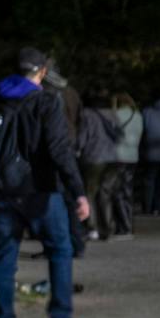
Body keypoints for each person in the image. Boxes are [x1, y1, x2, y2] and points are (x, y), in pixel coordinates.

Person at [0, 48, 91, 318]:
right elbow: (59, 150)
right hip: (39, 190)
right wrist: (78, 192)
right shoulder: (46, 102)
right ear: (41, 72)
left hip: (0, 191)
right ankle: (60, 317)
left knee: (5, 257)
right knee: (60, 249)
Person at [45, 57, 89, 259]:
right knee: (70, 197)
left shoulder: (46, 93)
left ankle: (67, 243)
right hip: (69, 147)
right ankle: (76, 242)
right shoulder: (71, 93)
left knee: (59, 198)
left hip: (55, 147)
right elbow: (81, 121)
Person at [78, 94, 120, 241]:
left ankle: (92, 227)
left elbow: (83, 137)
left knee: (90, 193)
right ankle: (108, 227)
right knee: (105, 193)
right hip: (113, 157)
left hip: (94, 157)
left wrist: (78, 149)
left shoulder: (87, 114)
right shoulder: (112, 114)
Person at [108, 92, 141, 236]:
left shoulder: (116, 115)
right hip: (133, 156)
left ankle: (124, 227)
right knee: (127, 191)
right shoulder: (138, 116)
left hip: (119, 155)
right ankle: (128, 225)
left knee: (118, 191)